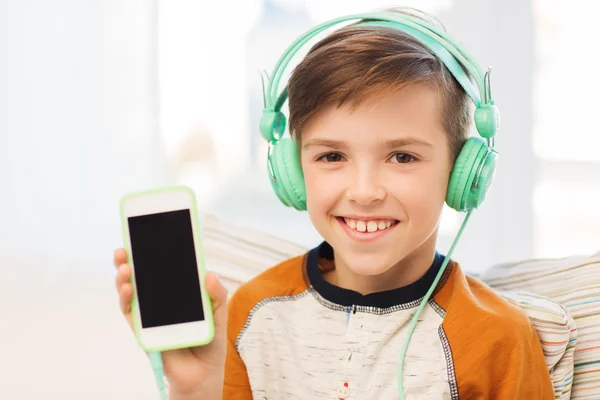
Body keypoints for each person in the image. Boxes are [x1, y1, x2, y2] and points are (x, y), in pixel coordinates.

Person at [113, 7, 555, 399]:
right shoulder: (252, 314)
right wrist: (198, 390)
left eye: (402, 156)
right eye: (332, 156)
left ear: (464, 173)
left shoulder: (499, 340)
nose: (364, 191)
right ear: (292, 170)